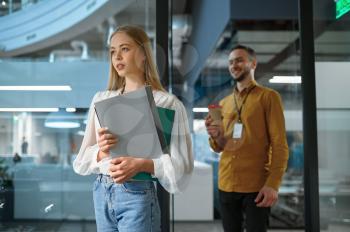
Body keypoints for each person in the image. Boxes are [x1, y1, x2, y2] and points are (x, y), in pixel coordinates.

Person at [73, 25, 193, 232]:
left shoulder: (166, 103)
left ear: (143, 54)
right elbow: (81, 161)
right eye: (112, 51)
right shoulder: (102, 100)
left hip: (137, 193)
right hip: (102, 191)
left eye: (125, 49)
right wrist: (102, 151)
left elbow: (182, 168)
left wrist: (143, 165)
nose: (117, 56)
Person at [205, 44, 289, 232]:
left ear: (253, 64)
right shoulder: (223, 104)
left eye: (239, 60)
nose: (234, 65)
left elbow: (280, 144)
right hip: (227, 183)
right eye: (231, 62)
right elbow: (219, 147)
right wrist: (215, 135)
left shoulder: (269, 97)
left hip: (256, 185)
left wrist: (273, 184)